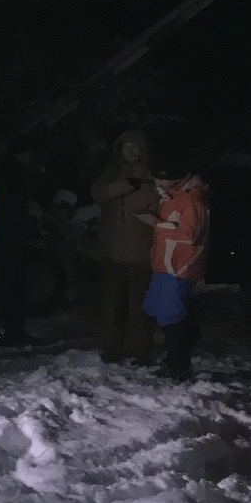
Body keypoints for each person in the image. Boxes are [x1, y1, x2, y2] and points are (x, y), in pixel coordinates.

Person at [90, 129, 159, 364]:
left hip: (142, 253)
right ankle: (110, 351)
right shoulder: (111, 173)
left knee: (139, 309)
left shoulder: (153, 175)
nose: (131, 151)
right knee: (112, 307)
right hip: (112, 252)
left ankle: (139, 353)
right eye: (126, 146)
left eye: (135, 146)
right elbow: (98, 193)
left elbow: (154, 203)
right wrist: (128, 183)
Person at [139, 156, 210, 379]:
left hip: (179, 268)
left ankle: (179, 366)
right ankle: (178, 357)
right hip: (167, 266)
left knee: (172, 315)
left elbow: (189, 235)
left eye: (160, 179)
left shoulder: (192, 201)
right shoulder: (174, 197)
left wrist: (156, 223)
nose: (157, 184)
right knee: (160, 309)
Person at [0, 147, 42, 347]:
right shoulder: (13, 174)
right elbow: (14, 210)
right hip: (9, 238)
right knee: (12, 285)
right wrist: (30, 224)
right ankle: (13, 331)